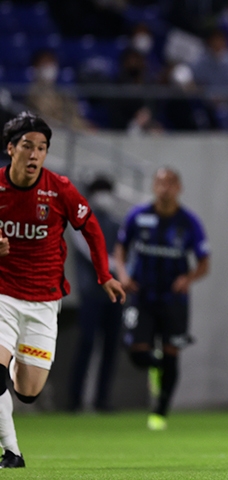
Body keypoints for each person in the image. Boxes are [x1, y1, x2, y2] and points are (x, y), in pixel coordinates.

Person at [0, 112, 126, 468]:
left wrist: (104, 275)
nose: (35, 154)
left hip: (43, 300)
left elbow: (91, 228)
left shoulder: (59, 189)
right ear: (11, 149)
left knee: (27, 391)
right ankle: (12, 452)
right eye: (28, 146)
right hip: (3, 294)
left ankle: (8, 364)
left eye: (42, 148)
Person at [114, 167, 209, 431]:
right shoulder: (139, 215)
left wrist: (187, 278)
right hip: (141, 294)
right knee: (136, 351)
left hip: (173, 299)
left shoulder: (188, 222)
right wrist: (122, 273)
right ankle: (156, 368)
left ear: (179, 188)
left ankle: (160, 411)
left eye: (170, 183)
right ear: (154, 186)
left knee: (172, 353)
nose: (164, 188)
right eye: (160, 183)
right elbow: (121, 247)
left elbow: (204, 263)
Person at [68, 176, 122, 413]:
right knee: (87, 344)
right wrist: (115, 266)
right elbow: (90, 251)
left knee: (111, 348)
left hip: (114, 295)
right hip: (91, 294)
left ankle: (102, 400)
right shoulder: (81, 223)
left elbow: (125, 251)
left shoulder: (116, 224)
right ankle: (75, 400)